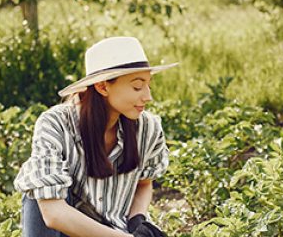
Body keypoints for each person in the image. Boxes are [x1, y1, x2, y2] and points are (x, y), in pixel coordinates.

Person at [14, 36, 175, 237]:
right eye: (137, 87)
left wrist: (137, 220)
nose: (147, 96)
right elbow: (52, 214)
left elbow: (144, 183)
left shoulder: (147, 127)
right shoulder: (55, 124)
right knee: (39, 192)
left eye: (148, 85)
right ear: (102, 86)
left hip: (115, 230)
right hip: (68, 232)